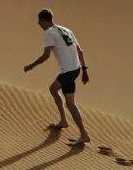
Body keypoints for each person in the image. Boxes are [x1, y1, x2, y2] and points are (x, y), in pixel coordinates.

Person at [24, 8, 89, 145]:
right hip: (75, 69)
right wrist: (84, 71)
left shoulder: (49, 33)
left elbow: (46, 55)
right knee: (58, 93)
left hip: (67, 71)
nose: (39, 25)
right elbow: (80, 51)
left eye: (39, 22)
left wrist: (31, 65)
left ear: (43, 20)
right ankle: (64, 122)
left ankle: (83, 134)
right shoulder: (66, 30)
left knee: (65, 99)